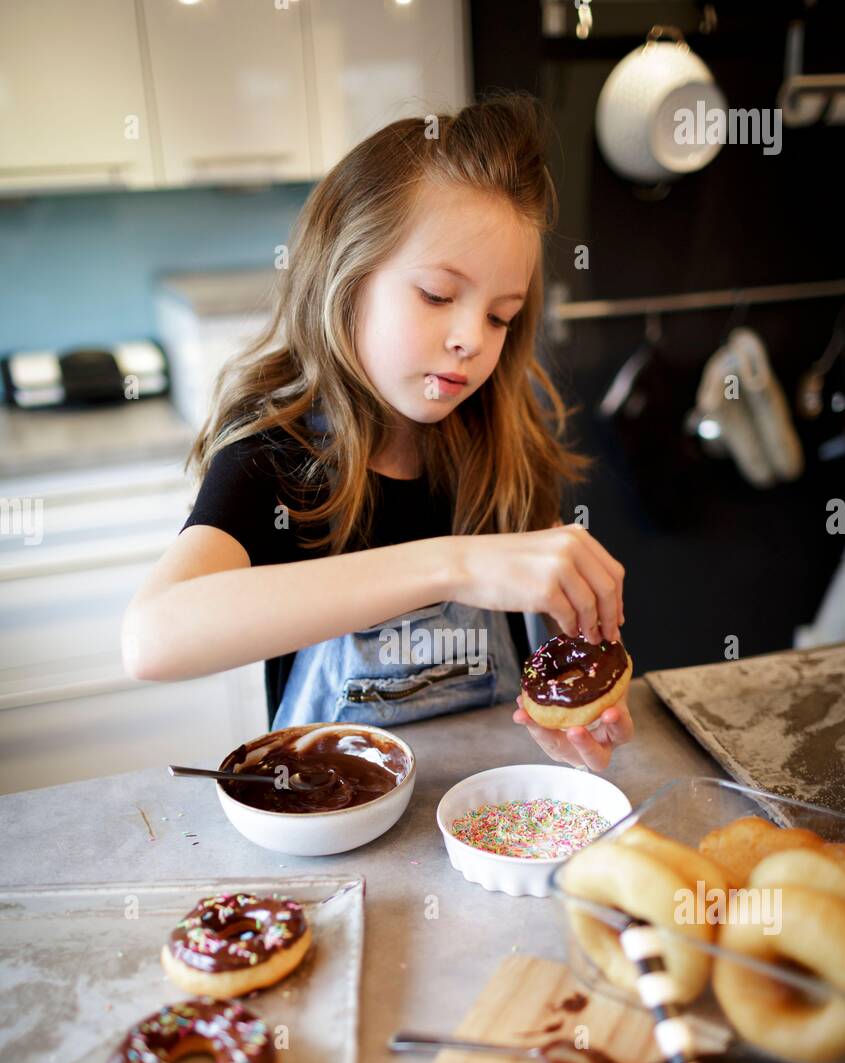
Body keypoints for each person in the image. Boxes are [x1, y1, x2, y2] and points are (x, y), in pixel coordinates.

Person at [122, 93, 633, 773]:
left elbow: (540, 657)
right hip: (330, 834)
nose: (469, 341)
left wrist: (573, 712)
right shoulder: (278, 461)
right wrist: (456, 564)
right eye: (437, 295)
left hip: (486, 812)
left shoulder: (503, 450)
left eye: (500, 316)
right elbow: (153, 638)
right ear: (346, 278)